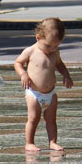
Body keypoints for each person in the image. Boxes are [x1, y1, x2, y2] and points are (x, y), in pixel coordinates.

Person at [14, 17, 73, 151]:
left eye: (56, 46)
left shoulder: (54, 53)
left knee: (51, 120)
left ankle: (52, 142)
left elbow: (59, 64)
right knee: (33, 118)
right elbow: (17, 63)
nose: (51, 49)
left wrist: (66, 75)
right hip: (34, 93)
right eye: (48, 45)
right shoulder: (31, 51)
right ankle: (29, 143)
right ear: (38, 38)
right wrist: (23, 74)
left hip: (50, 93)